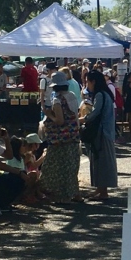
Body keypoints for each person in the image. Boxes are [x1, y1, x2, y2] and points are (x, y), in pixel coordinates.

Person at [40, 70, 82, 201]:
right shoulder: (72, 96)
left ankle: (60, 195)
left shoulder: (57, 100)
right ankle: (74, 193)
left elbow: (59, 120)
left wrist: (48, 114)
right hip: (73, 135)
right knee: (71, 167)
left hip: (60, 138)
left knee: (55, 167)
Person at [83, 70, 118, 202]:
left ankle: (103, 191)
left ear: (93, 82)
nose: (87, 85)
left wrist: (82, 119)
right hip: (107, 131)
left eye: (88, 82)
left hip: (101, 132)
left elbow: (95, 113)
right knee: (102, 161)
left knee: (100, 161)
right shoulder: (106, 93)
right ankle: (100, 189)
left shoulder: (99, 95)